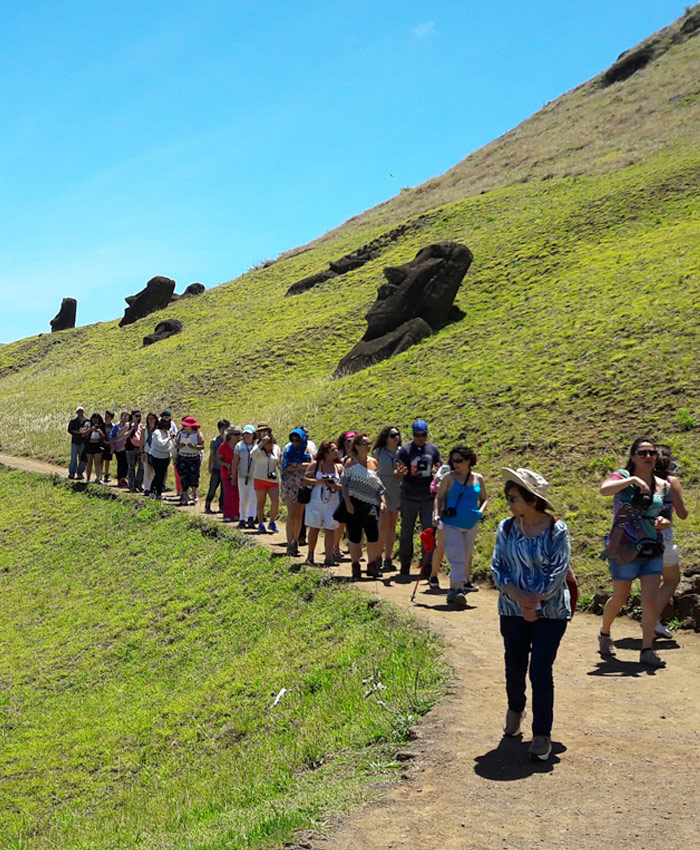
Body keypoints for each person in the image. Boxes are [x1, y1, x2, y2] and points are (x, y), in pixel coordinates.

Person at [491, 467, 571, 761]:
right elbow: (497, 567)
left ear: (532, 499)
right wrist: (519, 598)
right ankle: (515, 708)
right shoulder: (506, 528)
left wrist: (533, 604)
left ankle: (541, 734)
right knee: (514, 665)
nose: (509, 502)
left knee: (540, 670)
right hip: (511, 610)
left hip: (551, 612)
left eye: (513, 497)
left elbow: (558, 572)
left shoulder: (557, 530)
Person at [598, 437, 671, 668]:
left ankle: (647, 649)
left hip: (652, 546)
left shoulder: (663, 484)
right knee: (621, 597)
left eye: (651, 453)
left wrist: (663, 522)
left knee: (649, 600)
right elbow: (604, 490)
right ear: (633, 457)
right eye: (642, 453)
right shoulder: (621, 476)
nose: (648, 457)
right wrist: (632, 479)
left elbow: (665, 515)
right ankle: (605, 633)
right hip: (624, 548)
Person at [434, 445, 488, 607]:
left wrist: (480, 512)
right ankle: (458, 590)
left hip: (471, 523)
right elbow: (439, 497)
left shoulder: (478, 478)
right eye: (453, 460)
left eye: (459, 461)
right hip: (452, 523)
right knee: (456, 556)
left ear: (469, 461)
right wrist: (437, 515)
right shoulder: (449, 478)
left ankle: (452, 589)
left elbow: (484, 498)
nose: (455, 464)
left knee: (465, 555)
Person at [396, 419, 442, 577]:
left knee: (428, 531)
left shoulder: (433, 449)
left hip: (428, 497)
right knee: (406, 531)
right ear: (413, 434)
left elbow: (440, 467)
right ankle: (405, 562)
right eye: (417, 435)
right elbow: (397, 470)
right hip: (409, 495)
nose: (420, 438)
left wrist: (438, 474)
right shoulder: (405, 450)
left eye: (423, 435)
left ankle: (427, 564)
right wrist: (399, 474)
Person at [340, 433, 387, 580]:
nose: (368, 446)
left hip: (371, 503)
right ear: (357, 446)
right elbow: (344, 484)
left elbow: (377, 484)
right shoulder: (350, 463)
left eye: (369, 443)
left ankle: (372, 564)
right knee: (355, 536)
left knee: (373, 535)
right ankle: (355, 565)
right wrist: (347, 503)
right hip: (355, 503)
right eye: (365, 444)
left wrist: (383, 501)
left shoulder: (373, 462)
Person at [654, 445, 688, 638]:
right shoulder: (670, 481)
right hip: (663, 538)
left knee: (649, 581)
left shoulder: (640, 480)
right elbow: (682, 514)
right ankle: (650, 620)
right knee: (671, 579)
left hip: (638, 538)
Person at [303, 440, 343, 566]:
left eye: (336, 449)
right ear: (325, 452)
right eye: (333, 449)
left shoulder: (339, 467)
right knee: (314, 528)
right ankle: (310, 555)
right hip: (316, 502)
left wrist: (336, 485)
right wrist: (319, 481)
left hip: (332, 502)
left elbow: (344, 485)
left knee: (331, 529)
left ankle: (329, 557)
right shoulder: (315, 464)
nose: (336, 451)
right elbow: (305, 479)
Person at [372, 426, 402, 571]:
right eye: (392, 435)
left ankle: (388, 558)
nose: (395, 437)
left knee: (392, 525)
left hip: (396, 488)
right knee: (382, 524)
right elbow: (373, 472)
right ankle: (377, 556)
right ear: (385, 437)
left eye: (397, 434)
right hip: (381, 488)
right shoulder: (378, 452)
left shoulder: (402, 452)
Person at [281, 428, 312, 555]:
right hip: (289, 485)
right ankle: (289, 542)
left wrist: (296, 466)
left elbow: (310, 465)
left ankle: (296, 540)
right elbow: (285, 466)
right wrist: (300, 466)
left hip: (302, 485)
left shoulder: (307, 450)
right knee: (291, 514)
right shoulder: (288, 450)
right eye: (293, 439)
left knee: (299, 516)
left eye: (297, 439)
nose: (295, 442)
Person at [251, 423, 281, 534]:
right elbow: (253, 454)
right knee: (261, 502)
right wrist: (261, 443)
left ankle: (272, 522)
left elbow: (278, 461)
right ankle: (260, 523)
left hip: (273, 479)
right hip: (260, 478)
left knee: (275, 500)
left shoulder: (276, 448)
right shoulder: (257, 445)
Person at [174, 417, 205, 505]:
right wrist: (181, 446)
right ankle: (185, 494)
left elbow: (202, 446)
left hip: (194, 457)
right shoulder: (180, 433)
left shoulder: (198, 434)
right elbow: (175, 444)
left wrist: (194, 447)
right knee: (183, 476)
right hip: (183, 457)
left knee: (194, 476)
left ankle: (194, 493)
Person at [233, 424, 257, 529]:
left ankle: (251, 517)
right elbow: (235, 461)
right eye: (245, 434)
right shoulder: (239, 446)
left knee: (253, 497)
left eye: (249, 434)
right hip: (242, 475)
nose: (247, 436)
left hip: (255, 475)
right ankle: (242, 518)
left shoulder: (257, 445)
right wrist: (234, 476)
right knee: (243, 498)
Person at [205, 419, 230, 514]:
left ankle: (222, 507)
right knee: (213, 487)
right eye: (222, 428)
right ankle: (207, 505)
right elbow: (212, 455)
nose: (224, 430)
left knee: (224, 489)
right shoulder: (215, 441)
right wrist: (209, 466)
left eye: (226, 428)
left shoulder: (230, 441)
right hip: (216, 468)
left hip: (226, 469)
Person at [217, 425, 241, 522]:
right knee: (228, 493)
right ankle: (228, 515)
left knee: (237, 494)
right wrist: (225, 464)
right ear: (230, 435)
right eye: (236, 434)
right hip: (227, 473)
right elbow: (218, 459)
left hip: (239, 473)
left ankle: (237, 513)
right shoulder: (224, 445)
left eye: (240, 434)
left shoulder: (240, 445)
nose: (239, 436)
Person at [149, 417, 174, 500]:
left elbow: (170, 445)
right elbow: (161, 443)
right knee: (158, 475)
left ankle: (159, 494)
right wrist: (169, 438)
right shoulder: (157, 432)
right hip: (156, 457)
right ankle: (152, 492)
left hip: (165, 457)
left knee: (162, 476)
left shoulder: (167, 432)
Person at [110, 411, 133, 487]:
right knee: (121, 463)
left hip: (127, 447)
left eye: (127, 417)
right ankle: (120, 479)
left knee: (127, 464)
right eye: (123, 417)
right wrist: (112, 447)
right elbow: (112, 436)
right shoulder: (117, 425)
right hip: (118, 447)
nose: (125, 418)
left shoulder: (130, 425)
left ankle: (124, 478)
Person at [83, 413, 107, 483]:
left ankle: (98, 478)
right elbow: (83, 434)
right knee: (89, 463)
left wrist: (100, 431)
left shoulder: (101, 426)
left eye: (97, 419)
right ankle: (88, 478)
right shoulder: (87, 424)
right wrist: (91, 429)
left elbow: (105, 437)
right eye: (94, 419)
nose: (96, 421)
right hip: (89, 445)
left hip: (98, 445)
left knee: (98, 462)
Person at [67, 406, 88, 479]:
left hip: (83, 442)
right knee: (73, 457)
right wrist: (76, 432)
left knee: (82, 458)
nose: (80, 413)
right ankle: (72, 472)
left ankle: (80, 472)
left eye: (81, 411)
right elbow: (69, 430)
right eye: (79, 412)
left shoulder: (87, 421)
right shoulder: (73, 421)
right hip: (75, 441)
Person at [125, 409, 144, 492]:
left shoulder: (141, 426)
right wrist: (133, 428)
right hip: (130, 448)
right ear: (132, 416)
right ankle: (131, 485)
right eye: (136, 416)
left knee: (141, 467)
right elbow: (125, 436)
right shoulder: (128, 425)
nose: (138, 418)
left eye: (139, 416)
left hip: (139, 448)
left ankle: (138, 484)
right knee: (131, 467)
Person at [140, 412, 158, 497]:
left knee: (154, 471)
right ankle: (147, 488)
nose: (150, 420)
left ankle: (153, 488)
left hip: (155, 452)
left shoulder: (158, 429)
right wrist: (142, 452)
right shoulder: (144, 429)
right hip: (146, 451)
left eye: (152, 418)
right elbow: (142, 441)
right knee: (147, 470)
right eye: (149, 418)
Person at [102, 410, 115, 482]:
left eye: (108, 416)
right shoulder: (102, 425)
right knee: (100, 460)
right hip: (102, 444)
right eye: (105, 416)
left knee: (107, 460)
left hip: (109, 445)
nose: (106, 418)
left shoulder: (113, 426)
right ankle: (99, 475)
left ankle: (106, 475)